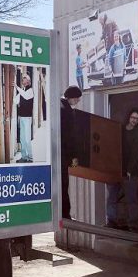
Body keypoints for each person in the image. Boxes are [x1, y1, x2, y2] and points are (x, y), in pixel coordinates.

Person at [106, 108, 138, 231]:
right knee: (112, 197)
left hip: (130, 173)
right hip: (114, 170)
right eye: (133, 117)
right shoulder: (119, 130)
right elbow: (110, 147)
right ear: (128, 117)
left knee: (131, 200)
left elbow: (136, 154)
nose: (134, 120)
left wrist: (129, 170)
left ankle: (133, 224)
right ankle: (112, 221)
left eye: (137, 119)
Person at [60, 85, 82, 219]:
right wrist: (74, 157)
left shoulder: (59, 107)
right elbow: (71, 137)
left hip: (59, 153)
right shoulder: (66, 111)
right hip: (64, 154)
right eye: (77, 99)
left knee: (61, 185)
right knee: (64, 184)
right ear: (72, 98)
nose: (78, 101)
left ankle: (63, 212)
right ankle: (65, 213)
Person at [15, 73, 34, 163]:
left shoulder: (30, 90)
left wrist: (17, 88)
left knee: (27, 139)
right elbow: (15, 101)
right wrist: (19, 101)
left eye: (25, 79)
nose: (24, 80)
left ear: (29, 81)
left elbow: (26, 96)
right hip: (21, 117)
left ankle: (30, 158)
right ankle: (24, 156)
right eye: (23, 79)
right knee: (22, 138)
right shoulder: (22, 91)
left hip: (27, 118)